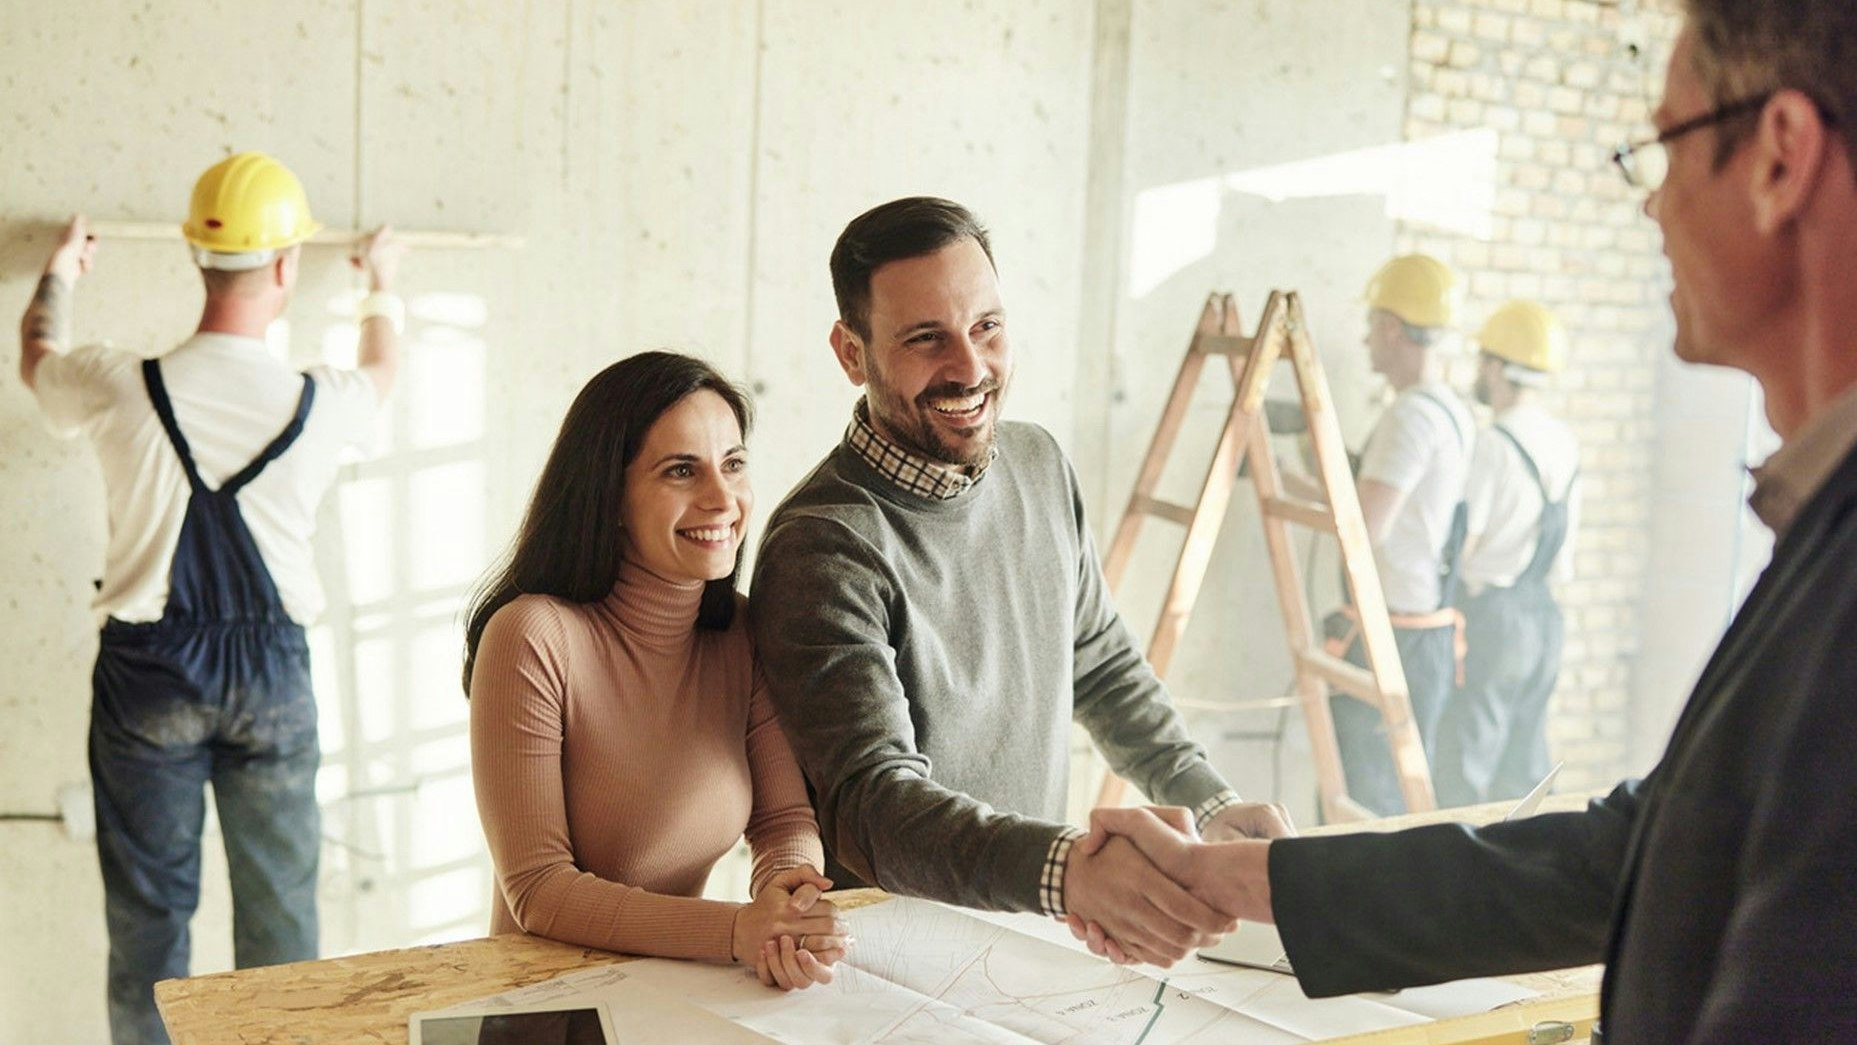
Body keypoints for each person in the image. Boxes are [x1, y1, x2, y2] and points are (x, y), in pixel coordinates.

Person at [1079, 1, 1857, 1036]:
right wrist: (1238, 875)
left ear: (1778, 160)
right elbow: (1622, 858)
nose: (1651, 209)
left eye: (1660, 150)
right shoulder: (1812, 518)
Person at [748, 197, 1292, 969]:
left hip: (1027, 928)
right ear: (850, 352)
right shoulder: (823, 545)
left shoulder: (1038, 464)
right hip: (882, 957)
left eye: (986, 327)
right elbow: (876, 806)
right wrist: (1070, 871)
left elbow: (1100, 666)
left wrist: (1210, 802)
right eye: (925, 338)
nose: (969, 368)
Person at [18, 152, 402, 1045]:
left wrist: (57, 275)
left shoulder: (118, 383)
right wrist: (382, 283)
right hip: (273, 679)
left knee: (148, 929)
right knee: (282, 929)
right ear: (284, 266)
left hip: (148, 673)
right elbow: (385, 368)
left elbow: (36, 359)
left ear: (197, 257)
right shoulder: (324, 400)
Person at [462, 351, 847, 991]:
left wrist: (790, 893)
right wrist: (733, 932)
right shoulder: (532, 637)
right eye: (680, 471)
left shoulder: (742, 634)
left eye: (733, 464)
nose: (722, 499)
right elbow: (538, 889)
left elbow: (782, 821)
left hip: (673, 991)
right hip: (541, 1003)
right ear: (608, 494)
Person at [1327, 254, 1476, 816]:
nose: (1366, 340)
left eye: (1371, 326)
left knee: (1366, 804)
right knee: (1390, 799)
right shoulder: (1451, 411)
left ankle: (1345, 907)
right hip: (1424, 629)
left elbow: (1364, 528)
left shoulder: (1410, 417)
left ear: (1393, 327)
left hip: (1391, 632)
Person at [1433, 301, 1581, 807]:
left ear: (1496, 369)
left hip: (1494, 619)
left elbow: (1464, 539)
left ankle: (1460, 878)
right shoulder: (1563, 440)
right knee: (1524, 767)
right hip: (1544, 618)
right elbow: (1566, 553)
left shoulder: (1494, 442)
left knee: (1466, 765)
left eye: (1482, 361)